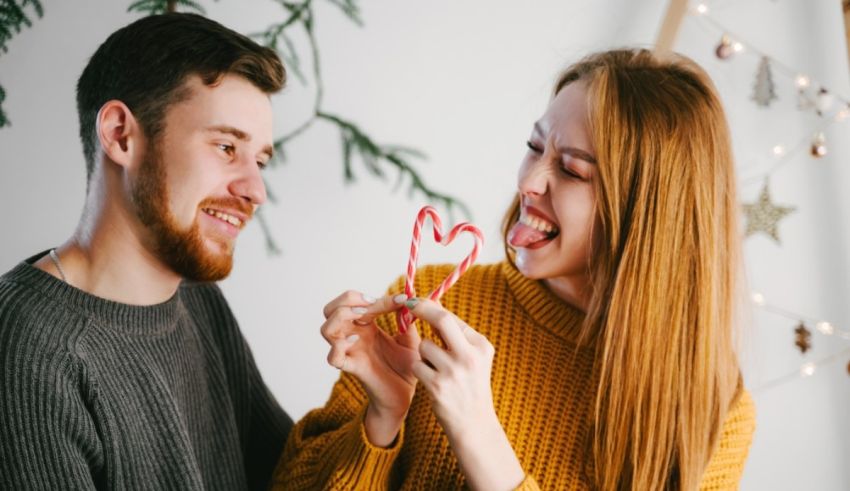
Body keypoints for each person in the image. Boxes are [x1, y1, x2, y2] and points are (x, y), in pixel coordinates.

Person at [272, 49, 756, 490]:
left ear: (646, 215)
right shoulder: (432, 309)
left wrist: (478, 433)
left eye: (572, 170)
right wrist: (383, 420)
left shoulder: (714, 408)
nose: (528, 181)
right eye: (534, 145)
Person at [0, 13, 292, 489]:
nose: (256, 190)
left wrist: (381, 410)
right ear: (120, 134)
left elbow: (285, 476)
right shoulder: (27, 350)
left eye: (258, 160)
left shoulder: (196, 299)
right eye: (225, 147)